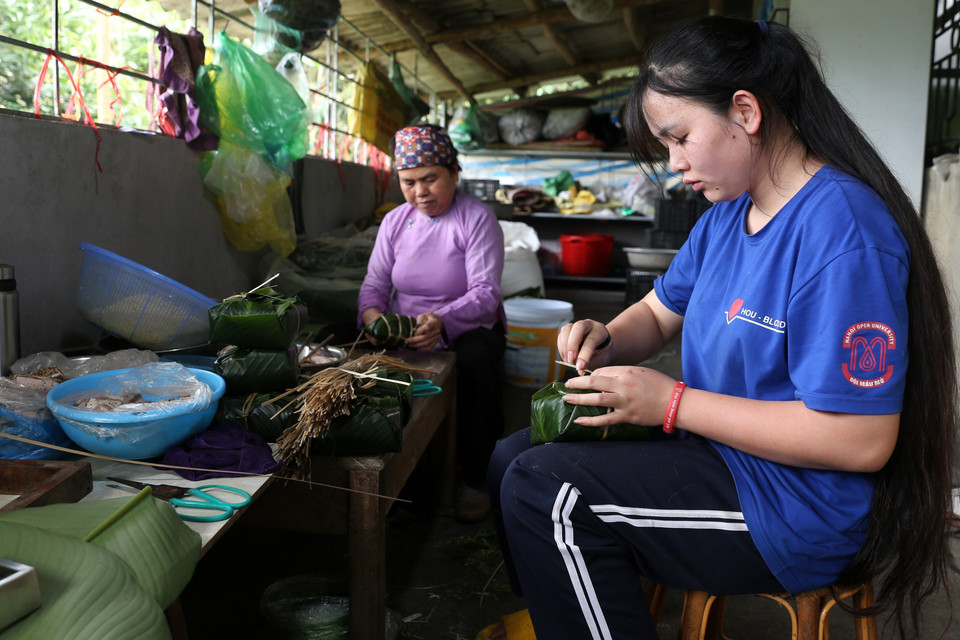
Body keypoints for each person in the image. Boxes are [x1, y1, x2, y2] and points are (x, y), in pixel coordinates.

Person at [485, 16, 957, 640]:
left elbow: (860, 440)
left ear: (745, 111)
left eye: (680, 138)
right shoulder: (726, 215)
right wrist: (606, 335)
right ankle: (566, 607)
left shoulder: (843, 234)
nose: (675, 164)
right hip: (721, 456)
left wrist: (669, 402)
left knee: (549, 496)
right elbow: (657, 313)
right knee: (511, 456)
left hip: (795, 506)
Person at [358, 124, 507, 522]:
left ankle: (478, 477)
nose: (420, 191)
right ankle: (396, 470)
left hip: (468, 325)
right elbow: (374, 284)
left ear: (454, 174)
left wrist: (442, 320)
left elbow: (486, 293)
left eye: (430, 179)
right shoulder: (395, 222)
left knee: (476, 364)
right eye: (408, 182)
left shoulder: (476, 218)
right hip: (409, 326)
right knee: (359, 357)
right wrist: (372, 316)